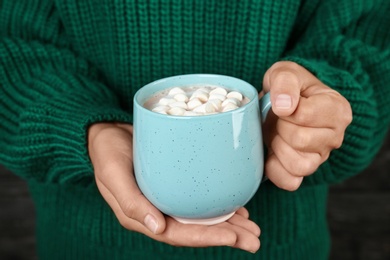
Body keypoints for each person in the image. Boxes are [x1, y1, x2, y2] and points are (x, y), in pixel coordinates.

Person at [0, 0, 389, 259]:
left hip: (284, 244)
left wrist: (317, 108)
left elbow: (369, 35)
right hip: (82, 244)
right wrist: (87, 130)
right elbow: (12, 46)